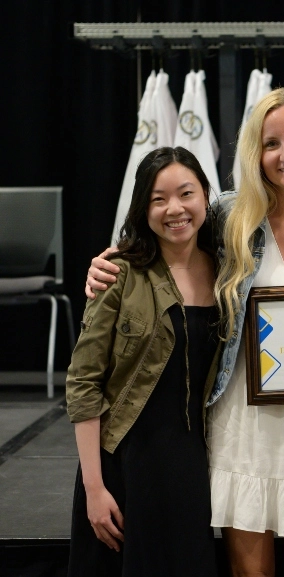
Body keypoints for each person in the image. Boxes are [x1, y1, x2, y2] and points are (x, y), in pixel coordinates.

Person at [85, 88, 284, 577]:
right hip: (242, 426)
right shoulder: (228, 216)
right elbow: (161, 235)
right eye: (271, 143)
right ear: (255, 154)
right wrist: (106, 261)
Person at [67, 147, 220, 577]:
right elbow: (83, 384)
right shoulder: (119, 272)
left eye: (186, 193)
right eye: (158, 198)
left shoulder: (229, 271)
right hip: (124, 469)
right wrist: (94, 488)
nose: (175, 209)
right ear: (143, 207)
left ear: (206, 196)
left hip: (192, 470)